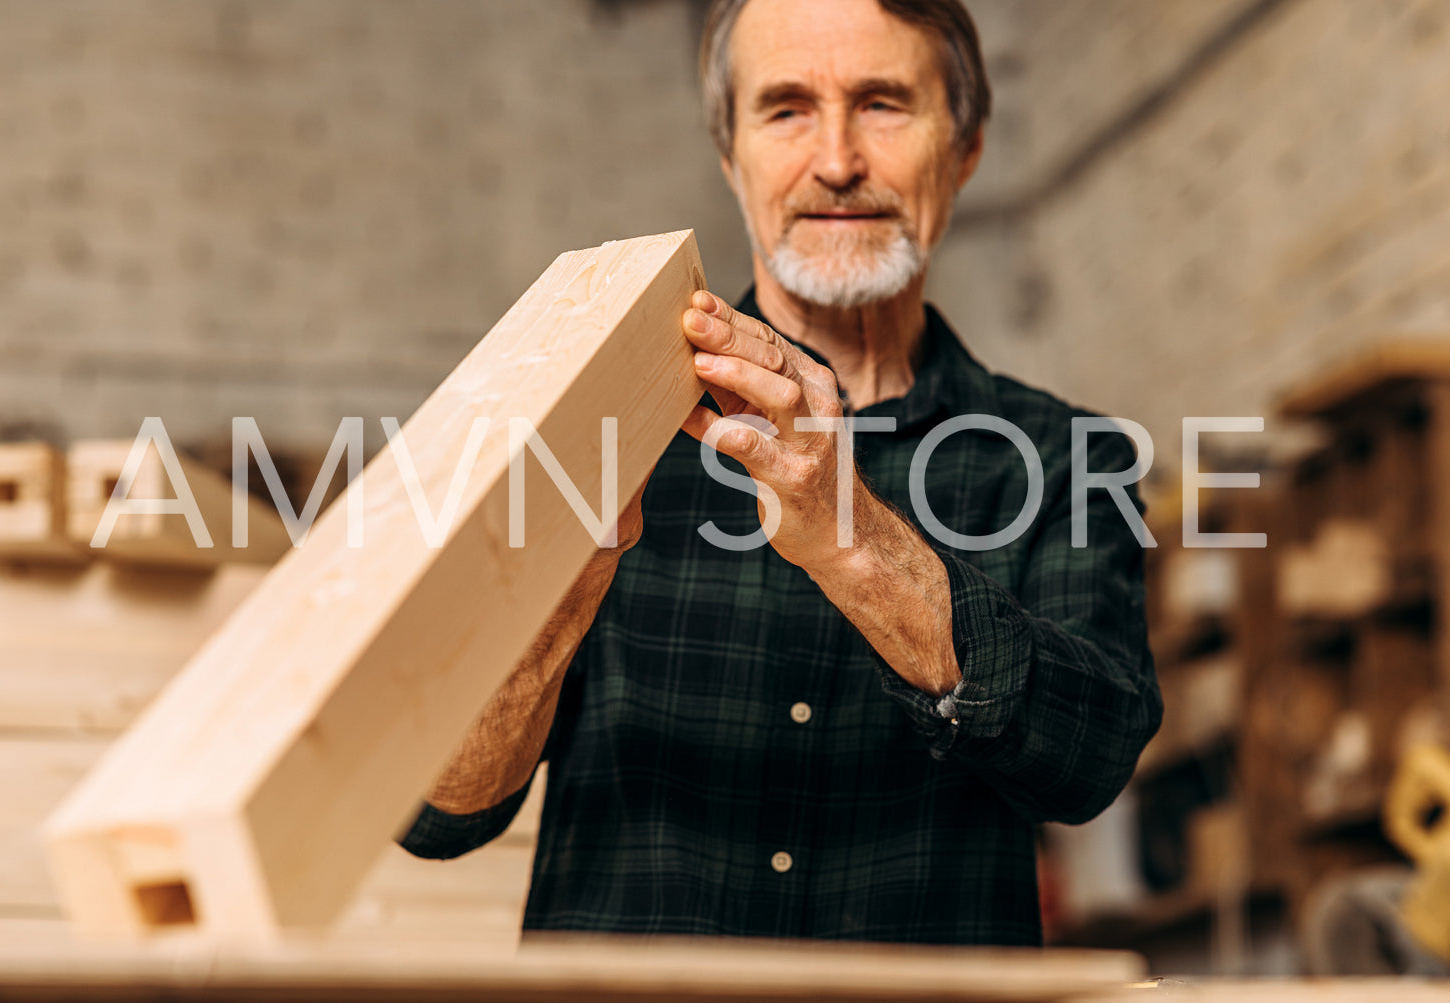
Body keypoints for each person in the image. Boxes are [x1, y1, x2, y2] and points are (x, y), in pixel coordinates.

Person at [399, 0, 1161, 946]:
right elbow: (438, 812)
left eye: (882, 104)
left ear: (963, 148)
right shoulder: (604, 433)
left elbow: (1088, 760)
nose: (836, 160)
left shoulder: (1066, 459)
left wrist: (859, 543)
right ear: (731, 156)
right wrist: (561, 580)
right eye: (786, 109)